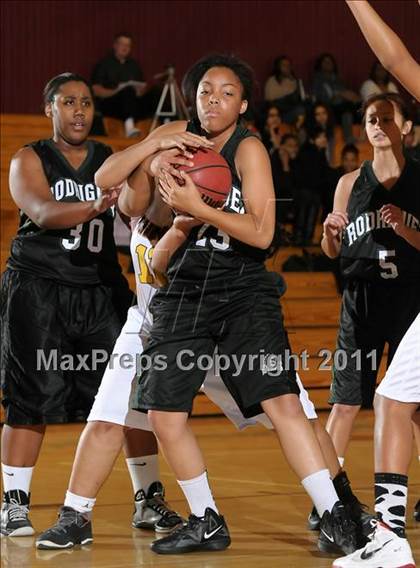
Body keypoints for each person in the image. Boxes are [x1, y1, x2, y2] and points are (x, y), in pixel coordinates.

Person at [35, 128, 370, 550]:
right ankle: (75, 514)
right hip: (153, 327)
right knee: (106, 418)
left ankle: (339, 502)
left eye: (174, 167)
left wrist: (190, 211)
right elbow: (114, 188)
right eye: (158, 169)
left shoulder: (201, 200)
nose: (167, 174)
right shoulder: (136, 207)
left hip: (219, 323)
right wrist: (155, 149)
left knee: (294, 416)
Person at [103, 52, 360, 557]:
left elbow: (264, 236)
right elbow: (109, 180)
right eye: (204, 91)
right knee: (162, 413)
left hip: (243, 285)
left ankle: (336, 514)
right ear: (192, 98)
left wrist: (200, 210)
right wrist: (153, 147)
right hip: (183, 288)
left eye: (225, 93)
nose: (213, 100)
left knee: (283, 402)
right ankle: (206, 519)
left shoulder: (249, 150)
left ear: (242, 103)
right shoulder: (176, 136)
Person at [0, 73, 134, 537]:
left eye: (86, 103)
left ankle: (149, 499)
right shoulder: (28, 159)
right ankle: (14, 504)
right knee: (28, 399)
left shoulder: (110, 160)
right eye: (67, 102)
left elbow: (139, 208)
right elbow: (43, 213)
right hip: (38, 288)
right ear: (49, 109)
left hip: (100, 289)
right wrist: (96, 206)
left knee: (127, 400)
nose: (79, 110)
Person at [330, 2, 420, 566]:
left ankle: (387, 537)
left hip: (409, 296)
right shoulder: (349, 183)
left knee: (394, 402)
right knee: (387, 400)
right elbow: (396, 59)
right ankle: (376, 528)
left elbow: (395, 57)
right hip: (362, 300)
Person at [91, 32, 160, 137]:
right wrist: (117, 91)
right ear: (115, 45)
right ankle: (129, 126)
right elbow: (96, 90)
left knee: (157, 91)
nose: (125, 48)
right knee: (127, 91)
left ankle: (164, 124)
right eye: (122, 44)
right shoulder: (104, 64)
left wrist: (140, 90)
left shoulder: (134, 65)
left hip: (132, 103)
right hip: (111, 104)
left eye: (128, 45)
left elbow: (141, 88)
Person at [312, 53, 360, 144]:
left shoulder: (337, 79)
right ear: (320, 64)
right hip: (327, 108)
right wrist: (339, 95)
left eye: (330, 62)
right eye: (325, 62)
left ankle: (351, 137)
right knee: (346, 107)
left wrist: (346, 96)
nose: (328, 64)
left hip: (342, 108)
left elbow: (346, 94)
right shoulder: (317, 79)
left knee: (350, 108)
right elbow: (320, 98)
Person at [293, 127, 330, 245]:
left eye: (324, 137)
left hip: (314, 191)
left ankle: (306, 238)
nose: (324, 139)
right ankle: (300, 238)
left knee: (312, 213)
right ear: (313, 140)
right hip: (305, 190)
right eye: (321, 137)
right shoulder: (308, 152)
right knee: (305, 212)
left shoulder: (320, 153)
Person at [264, 55, 306, 128]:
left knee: (301, 110)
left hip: (290, 110)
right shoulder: (272, 80)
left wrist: (292, 80)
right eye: (284, 65)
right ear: (278, 67)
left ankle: (296, 130)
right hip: (277, 111)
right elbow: (270, 100)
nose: (287, 67)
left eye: (288, 65)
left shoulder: (293, 80)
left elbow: (298, 98)